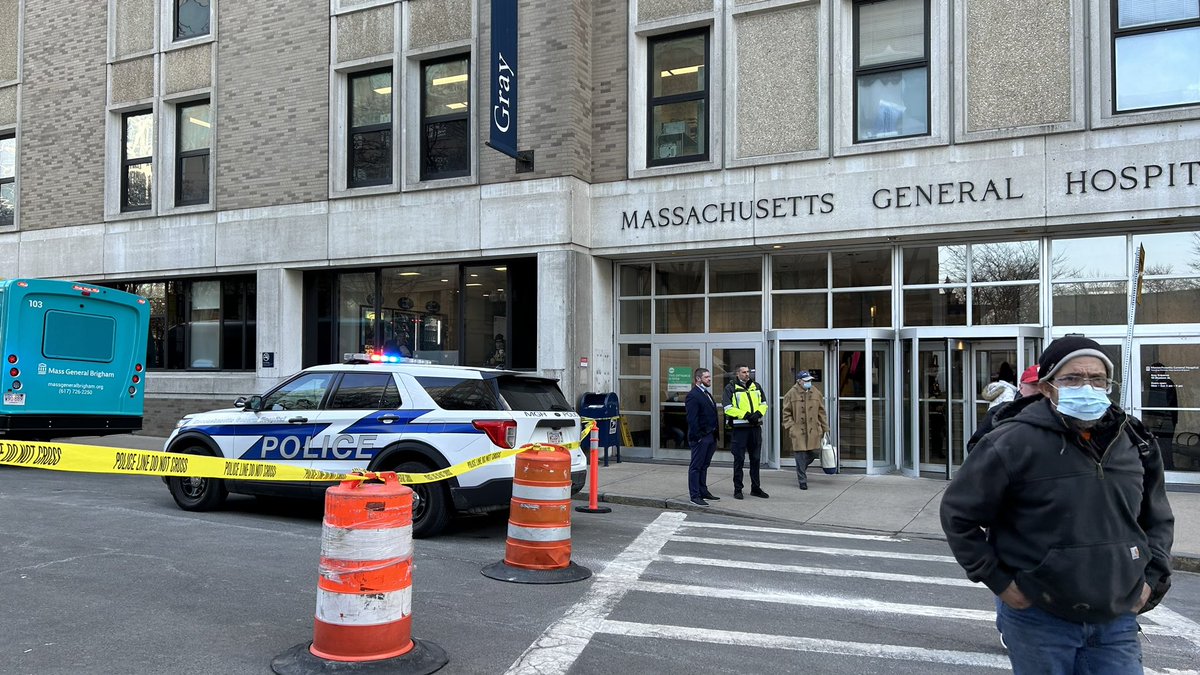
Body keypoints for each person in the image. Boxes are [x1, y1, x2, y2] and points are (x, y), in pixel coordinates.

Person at [941, 336, 1175, 673]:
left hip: (1116, 619)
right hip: (1039, 618)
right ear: (1048, 387)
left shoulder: (1134, 441)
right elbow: (958, 514)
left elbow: (1158, 519)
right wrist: (1000, 583)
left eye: (1097, 379)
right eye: (1072, 378)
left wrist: (1153, 582)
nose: (1087, 386)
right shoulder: (1011, 441)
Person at [966, 365, 1039, 453]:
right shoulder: (1001, 412)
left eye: (1046, 385)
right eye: (1034, 385)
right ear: (1021, 387)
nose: (1040, 389)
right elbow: (975, 447)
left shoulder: (1056, 413)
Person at [723, 364, 769, 500]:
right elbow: (728, 408)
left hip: (755, 428)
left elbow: (764, 403)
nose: (747, 374)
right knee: (739, 460)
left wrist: (759, 413)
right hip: (740, 429)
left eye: (748, 372)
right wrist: (746, 415)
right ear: (737, 374)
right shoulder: (730, 388)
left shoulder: (756, 386)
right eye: (744, 372)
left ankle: (756, 488)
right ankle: (738, 489)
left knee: (755, 459)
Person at [781, 370, 829, 491]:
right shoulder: (791, 394)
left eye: (810, 380)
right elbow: (786, 413)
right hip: (798, 430)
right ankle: (802, 480)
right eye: (806, 380)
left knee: (814, 453)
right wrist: (791, 426)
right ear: (799, 381)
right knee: (800, 456)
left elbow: (821, 412)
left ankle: (800, 468)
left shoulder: (816, 393)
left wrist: (825, 427)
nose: (809, 383)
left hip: (813, 429)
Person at [685, 368, 720, 507]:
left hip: (711, 436)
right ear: (698, 379)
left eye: (709, 376)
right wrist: (698, 436)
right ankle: (695, 495)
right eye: (706, 377)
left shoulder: (706, 394)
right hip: (701, 437)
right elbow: (692, 419)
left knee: (704, 465)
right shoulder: (693, 395)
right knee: (696, 466)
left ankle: (703, 490)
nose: (709, 379)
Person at [1145, 362, 1179, 471]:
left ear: (1162, 371)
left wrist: (1156, 420)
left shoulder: (1164, 383)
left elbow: (1162, 404)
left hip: (1164, 421)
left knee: (1163, 445)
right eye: (1152, 371)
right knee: (1161, 445)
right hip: (1163, 420)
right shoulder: (1159, 383)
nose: (1152, 373)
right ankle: (1165, 467)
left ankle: (1166, 468)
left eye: (1155, 370)